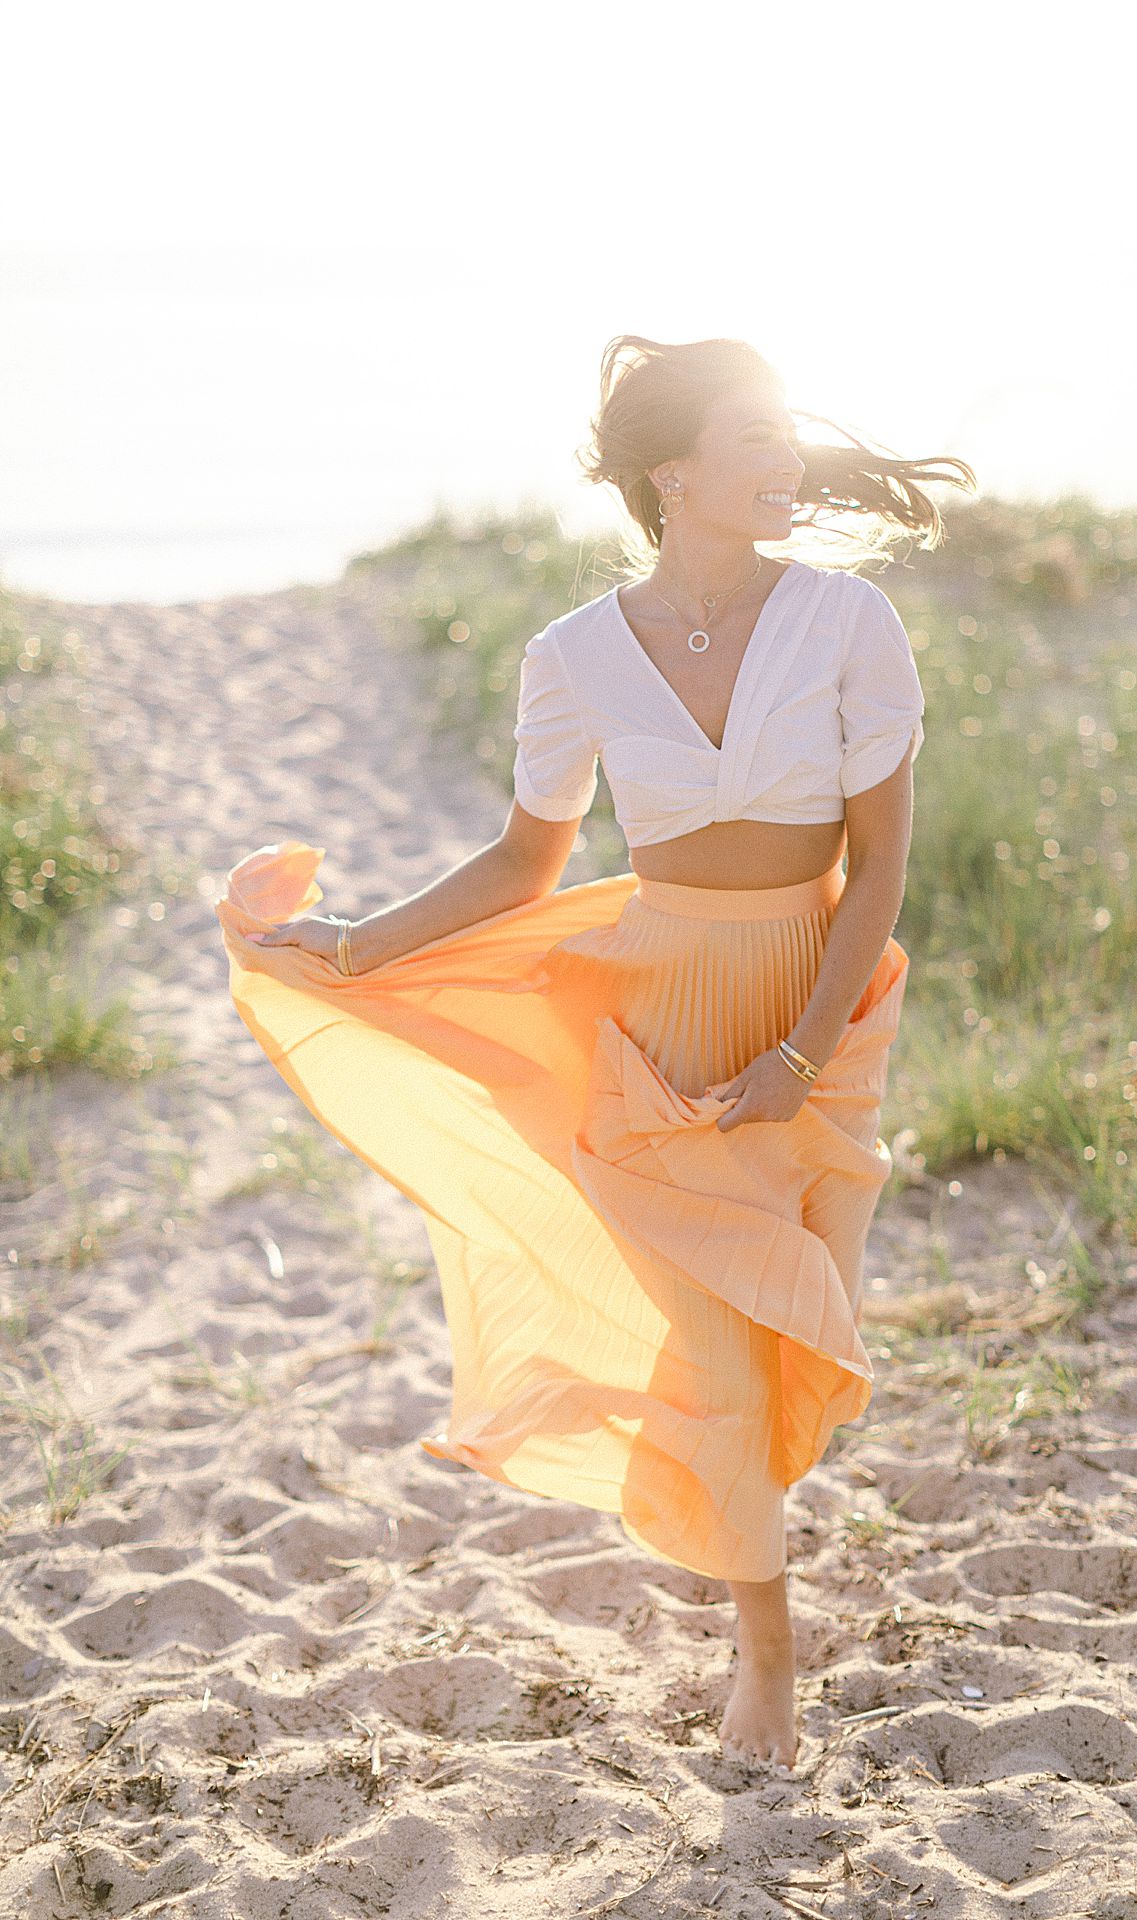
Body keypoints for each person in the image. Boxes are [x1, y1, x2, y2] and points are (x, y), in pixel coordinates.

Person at [217, 333, 976, 1775]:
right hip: (659, 1018)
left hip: (813, 1005)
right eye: (754, 435)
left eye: (787, 430)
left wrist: (804, 1057)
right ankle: (769, 1648)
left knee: (783, 1325)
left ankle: (756, 1580)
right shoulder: (571, 658)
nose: (787, 457)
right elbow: (524, 860)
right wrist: (363, 944)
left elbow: (878, 870)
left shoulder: (849, 621)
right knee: (712, 1348)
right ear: (672, 474)